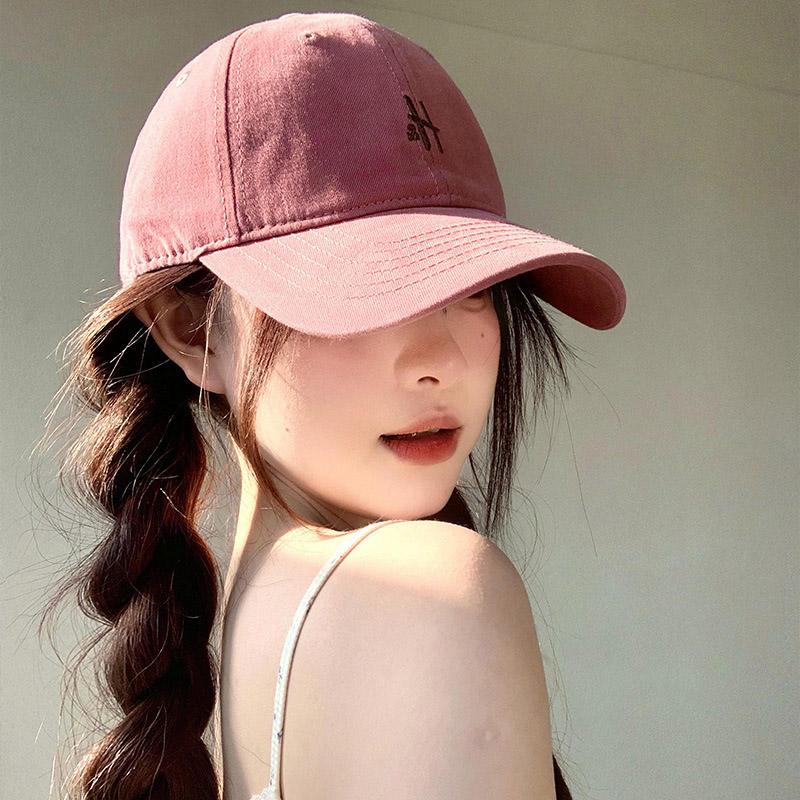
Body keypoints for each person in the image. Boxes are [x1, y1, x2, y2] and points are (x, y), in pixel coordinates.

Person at [40, 11, 626, 800]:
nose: (441, 360)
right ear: (190, 329)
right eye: (367, 290)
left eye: (473, 287)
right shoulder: (432, 595)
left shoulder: (232, 636)